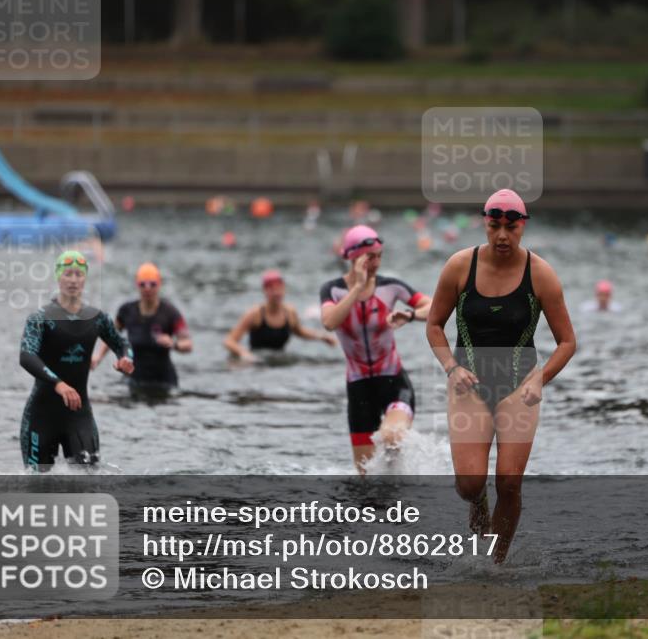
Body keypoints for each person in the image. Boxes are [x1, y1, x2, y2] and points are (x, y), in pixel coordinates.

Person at [425, 189, 576, 563]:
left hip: (518, 387)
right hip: (468, 386)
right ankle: (476, 504)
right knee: (470, 483)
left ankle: (495, 563)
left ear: (523, 226)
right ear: (485, 224)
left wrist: (540, 378)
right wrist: (451, 367)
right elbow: (433, 326)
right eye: (495, 226)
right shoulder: (460, 266)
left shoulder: (541, 275)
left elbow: (567, 342)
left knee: (509, 481)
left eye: (511, 227)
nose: (503, 236)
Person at [320, 225, 432, 474]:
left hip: (394, 384)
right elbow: (329, 322)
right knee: (366, 478)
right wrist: (358, 288)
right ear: (352, 257)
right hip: (359, 390)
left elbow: (435, 307)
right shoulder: (333, 290)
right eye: (370, 256)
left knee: (391, 437)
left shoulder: (390, 286)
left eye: (379, 255)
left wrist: (411, 315)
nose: (376, 262)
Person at [19, 250, 134, 470]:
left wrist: (125, 359)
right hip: (41, 416)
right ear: (58, 276)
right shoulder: (40, 318)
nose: (73, 280)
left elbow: (122, 344)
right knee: (36, 488)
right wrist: (58, 384)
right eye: (68, 274)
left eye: (78, 274)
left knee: (88, 482)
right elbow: (26, 356)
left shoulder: (97, 319)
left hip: (79, 416)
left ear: (85, 278)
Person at [92, 262, 191, 395]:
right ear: (137, 285)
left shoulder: (170, 312)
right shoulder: (127, 310)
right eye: (142, 284)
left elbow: (188, 344)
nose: (147, 288)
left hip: (163, 381)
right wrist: (98, 357)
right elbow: (111, 336)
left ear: (159, 284)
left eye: (152, 284)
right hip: (135, 378)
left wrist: (174, 344)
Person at [223, 269, 337, 362]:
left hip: (279, 360)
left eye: (279, 288)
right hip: (257, 362)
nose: (276, 293)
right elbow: (229, 341)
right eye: (271, 289)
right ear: (265, 291)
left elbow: (300, 332)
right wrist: (243, 353)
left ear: (284, 289)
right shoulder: (254, 314)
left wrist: (322, 337)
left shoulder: (290, 312)